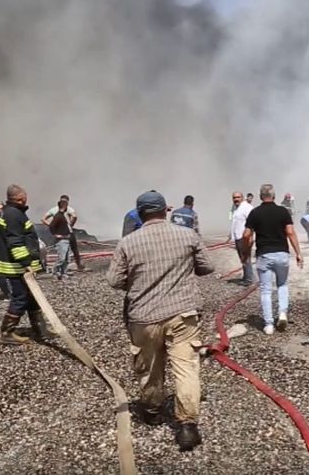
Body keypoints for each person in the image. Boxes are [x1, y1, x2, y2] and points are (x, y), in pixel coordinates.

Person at [106, 190, 214, 451]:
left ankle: (152, 411)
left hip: (143, 317)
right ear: (166, 210)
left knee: (150, 368)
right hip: (183, 314)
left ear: (140, 214)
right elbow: (207, 267)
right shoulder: (187, 235)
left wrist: (139, 281)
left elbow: (114, 280)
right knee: (186, 367)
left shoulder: (128, 243)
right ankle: (187, 426)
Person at [0, 184, 51, 345]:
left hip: (17, 265)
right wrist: (26, 262)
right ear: (20, 198)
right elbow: (15, 242)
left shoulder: (12, 213)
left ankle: (41, 329)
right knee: (20, 298)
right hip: (15, 266)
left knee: (32, 297)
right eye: (25, 196)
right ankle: (7, 333)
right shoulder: (13, 215)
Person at [241, 184, 303, 335]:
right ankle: (282, 313)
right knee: (282, 284)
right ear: (274, 196)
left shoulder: (255, 213)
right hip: (282, 254)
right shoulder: (283, 211)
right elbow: (290, 232)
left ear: (261, 196)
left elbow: (246, 235)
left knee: (266, 290)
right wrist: (298, 253)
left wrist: (245, 253)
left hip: (264, 254)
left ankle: (268, 324)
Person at [43, 195, 84, 271]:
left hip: (64, 233)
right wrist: (70, 225)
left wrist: (52, 226)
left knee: (68, 251)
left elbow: (43, 219)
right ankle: (58, 270)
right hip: (64, 233)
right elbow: (74, 217)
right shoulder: (63, 210)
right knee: (66, 251)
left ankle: (69, 268)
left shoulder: (65, 209)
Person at [229, 191, 254, 286]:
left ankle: (249, 279)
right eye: (234, 197)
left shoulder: (247, 208)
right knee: (242, 258)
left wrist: (251, 237)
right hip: (238, 237)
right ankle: (246, 276)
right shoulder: (236, 208)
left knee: (246, 257)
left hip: (244, 237)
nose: (236, 199)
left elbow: (252, 223)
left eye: (238, 197)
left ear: (242, 197)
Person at [48, 199, 73, 280]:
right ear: (64, 206)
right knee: (61, 258)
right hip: (62, 241)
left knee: (67, 259)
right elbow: (51, 226)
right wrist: (56, 235)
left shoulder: (62, 216)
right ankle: (55, 272)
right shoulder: (58, 216)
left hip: (66, 239)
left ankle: (63, 273)